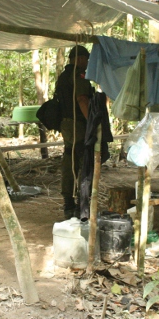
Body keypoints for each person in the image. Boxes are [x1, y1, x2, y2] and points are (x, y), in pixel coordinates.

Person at [55, 45, 93, 219]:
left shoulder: (63, 76)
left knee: (70, 159)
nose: (87, 63)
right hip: (77, 125)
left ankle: (70, 204)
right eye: (86, 59)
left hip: (67, 125)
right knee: (81, 162)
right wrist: (91, 122)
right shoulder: (78, 76)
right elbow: (82, 99)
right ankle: (80, 204)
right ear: (80, 59)